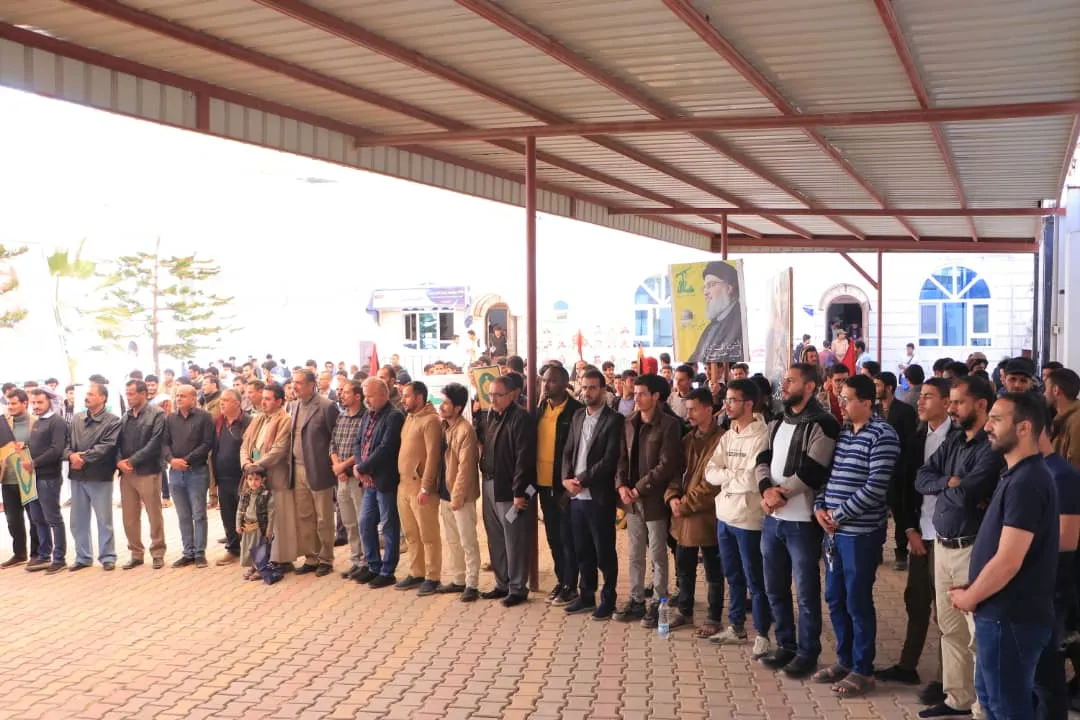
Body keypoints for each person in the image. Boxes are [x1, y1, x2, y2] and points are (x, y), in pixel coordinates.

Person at [948, 392, 1058, 719]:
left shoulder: (1027, 481)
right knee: (994, 704)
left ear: (1024, 427)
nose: (987, 428)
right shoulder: (1017, 474)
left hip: (1010, 618)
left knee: (1007, 708)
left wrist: (970, 597)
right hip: (1000, 615)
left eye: (997, 420)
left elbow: (1010, 559)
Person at [915, 375, 1001, 719]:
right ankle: (958, 698)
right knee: (949, 627)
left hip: (973, 548)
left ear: (981, 405)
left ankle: (983, 706)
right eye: (949, 402)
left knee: (976, 633)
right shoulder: (953, 441)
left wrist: (950, 489)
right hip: (943, 544)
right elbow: (922, 477)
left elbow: (969, 494)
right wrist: (948, 483)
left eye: (958, 402)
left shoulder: (991, 447)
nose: (951, 408)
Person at [812, 375, 900, 698]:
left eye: (847, 398)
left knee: (857, 600)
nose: (842, 404)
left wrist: (839, 514)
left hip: (860, 535)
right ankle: (844, 660)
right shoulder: (846, 433)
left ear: (866, 402)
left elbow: (876, 487)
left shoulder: (883, 435)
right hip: (833, 534)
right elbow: (829, 477)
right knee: (835, 598)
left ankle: (863, 669)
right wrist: (821, 507)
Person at [757, 363, 840, 678]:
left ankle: (808, 652)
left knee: (805, 592)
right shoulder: (778, 421)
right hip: (772, 518)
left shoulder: (824, 423)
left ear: (809, 387)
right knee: (774, 587)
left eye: (791, 381)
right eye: (784, 380)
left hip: (801, 521)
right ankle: (786, 645)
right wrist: (766, 490)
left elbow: (813, 469)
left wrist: (780, 494)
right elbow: (762, 458)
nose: (784, 385)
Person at [706, 378, 773, 655]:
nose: (726, 405)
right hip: (724, 516)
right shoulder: (728, 434)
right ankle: (736, 626)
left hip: (748, 519)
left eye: (732, 400)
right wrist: (729, 477)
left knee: (755, 579)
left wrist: (727, 477)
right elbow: (710, 471)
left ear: (748, 404)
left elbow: (750, 480)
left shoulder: (762, 435)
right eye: (726, 400)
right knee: (732, 576)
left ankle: (763, 633)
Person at [614, 373, 684, 627]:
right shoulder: (629, 422)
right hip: (631, 500)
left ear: (656, 396)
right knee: (634, 553)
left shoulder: (669, 425)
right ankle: (635, 600)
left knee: (657, 553)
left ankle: (658, 603)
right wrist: (621, 485)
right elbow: (621, 458)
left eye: (643, 393)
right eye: (635, 393)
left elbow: (667, 465)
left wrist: (639, 488)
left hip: (654, 499)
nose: (637, 397)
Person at [561, 369, 624, 620]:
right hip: (576, 497)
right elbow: (567, 451)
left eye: (592, 388)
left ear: (603, 389)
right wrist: (566, 479)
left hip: (598, 496)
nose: (587, 392)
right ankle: (586, 595)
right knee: (582, 550)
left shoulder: (614, 420)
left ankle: (608, 599)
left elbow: (609, 460)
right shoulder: (577, 416)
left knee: (604, 552)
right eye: (584, 387)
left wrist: (581, 479)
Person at [664, 388, 724, 633]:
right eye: (686, 409)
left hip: (707, 515)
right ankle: (685, 612)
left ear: (709, 409)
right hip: (683, 514)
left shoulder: (722, 439)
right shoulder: (687, 439)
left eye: (693, 409)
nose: (688, 414)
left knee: (713, 570)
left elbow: (711, 484)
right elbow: (675, 473)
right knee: (684, 567)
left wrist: (685, 504)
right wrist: (672, 497)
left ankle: (713, 618)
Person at [478, 374, 537, 607]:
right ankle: (501, 583)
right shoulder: (492, 417)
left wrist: (520, 492)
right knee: (495, 536)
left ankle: (517, 588)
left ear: (512, 394)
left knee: (515, 538)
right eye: (490, 394)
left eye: (498, 394)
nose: (492, 399)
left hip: (512, 490)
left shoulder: (521, 419)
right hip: (490, 484)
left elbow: (524, 458)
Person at [535, 364, 583, 606]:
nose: (546, 384)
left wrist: (569, 486)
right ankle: (561, 579)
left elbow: (579, 452)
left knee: (568, 538)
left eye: (551, 381)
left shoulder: (576, 411)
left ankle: (571, 585)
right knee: (553, 537)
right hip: (542, 485)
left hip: (564, 487)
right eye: (544, 380)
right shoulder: (540, 408)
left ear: (565, 384)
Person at [353, 377, 405, 588]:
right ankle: (373, 566)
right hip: (368, 482)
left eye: (371, 396)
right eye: (365, 396)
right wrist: (358, 466)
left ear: (384, 394)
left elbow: (386, 448)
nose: (367, 400)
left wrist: (364, 468)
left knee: (389, 526)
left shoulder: (394, 416)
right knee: (365, 523)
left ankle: (387, 571)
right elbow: (358, 443)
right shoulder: (368, 414)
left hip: (384, 481)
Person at [287, 369, 340, 577]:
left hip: (319, 470)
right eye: (293, 382)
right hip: (297, 468)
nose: (295, 386)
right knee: (304, 516)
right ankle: (311, 557)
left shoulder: (326, 406)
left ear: (311, 385)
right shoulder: (294, 406)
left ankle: (326, 558)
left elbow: (334, 439)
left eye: (299, 383)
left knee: (323, 517)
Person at [394, 381, 444, 595]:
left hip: (420, 487)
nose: (403, 400)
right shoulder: (410, 418)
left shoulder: (431, 421)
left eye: (406, 396)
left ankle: (433, 576)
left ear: (419, 397)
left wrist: (426, 487)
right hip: (404, 485)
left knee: (428, 534)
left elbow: (433, 456)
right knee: (411, 533)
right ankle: (417, 572)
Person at [65, 382, 122, 571]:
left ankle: (107, 556)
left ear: (102, 398)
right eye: (86, 394)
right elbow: (66, 443)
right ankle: (83, 556)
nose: (86, 397)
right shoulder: (77, 419)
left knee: (103, 519)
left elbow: (107, 446)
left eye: (91, 394)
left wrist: (84, 458)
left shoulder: (113, 421)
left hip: (100, 475)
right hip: (77, 475)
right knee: (78, 519)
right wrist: (71, 455)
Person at [240, 384, 294, 571]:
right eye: (263, 397)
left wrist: (257, 466)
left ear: (279, 401)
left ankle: (281, 560)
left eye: (268, 398)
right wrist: (246, 464)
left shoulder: (285, 420)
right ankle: (261, 562)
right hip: (255, 475)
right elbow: (245, 445)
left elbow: (279, 449)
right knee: (259, 520)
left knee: (277, 519)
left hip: (275, 474)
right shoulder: (259, 419)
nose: (263, 401)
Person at [436, 383, 481, 601]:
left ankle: (472, 584)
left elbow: (465, 469)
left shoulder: (466, 430)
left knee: (467, 540)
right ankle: (458, 579)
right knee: (452, 540)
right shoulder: (444, 427)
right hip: (445, 493)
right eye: (441, 401)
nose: (441, 406)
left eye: (446, 403)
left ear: (458, 407)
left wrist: (457, 496)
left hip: (460, 496)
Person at [116, 380, 167, 571]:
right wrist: (119, 461)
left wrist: (132, 461)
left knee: (154, 514)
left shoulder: (157, 414)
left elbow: (155, 444)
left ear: (143, 393)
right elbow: (116, 442)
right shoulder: (125, 417)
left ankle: (158, 552)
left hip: (148, 471)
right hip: (127, 474)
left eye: (131, 394)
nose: (128, 398)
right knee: (129, 516)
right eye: (127, 394)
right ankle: (136, 553)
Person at [163, 385, 215, 568]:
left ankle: (200, 553)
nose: (179, 399)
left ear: (193, 398)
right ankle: (188, 552)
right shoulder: (170, 419)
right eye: (177, 396)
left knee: (198, 514)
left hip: (196, 471)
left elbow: (207, 443)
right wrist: (171, 460)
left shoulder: (205, 418)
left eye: (183, 396)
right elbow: (164, 444)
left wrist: (185, 460)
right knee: (183, 515)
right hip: (176, 473)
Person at [22, 388, 68, 574]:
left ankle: (59, 558)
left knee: (53, 518)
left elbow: (56, 449)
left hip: (48, 477)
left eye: (40, 402)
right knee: (37, 518)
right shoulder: (36, 422)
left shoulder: (57, 421)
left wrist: (35, 462)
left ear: (49, 401)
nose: (36, 406)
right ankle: (43, 555)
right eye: (33, 403)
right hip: (32, 477)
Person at [212, 389, 251, 566]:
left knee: (246, 514)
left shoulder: (248, 422)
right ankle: (233, 549)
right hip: (223, 477)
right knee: (228, 515)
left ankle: (251, 549)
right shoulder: (218, 423)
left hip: (243, 477)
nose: (222, 403)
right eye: (221, 400)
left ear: (237, 403)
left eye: (226, 400)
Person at [687, 261, 745, 364]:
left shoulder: (741, 323)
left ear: (729, 288)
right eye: (705, 287)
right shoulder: (711, 327)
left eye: (711, 285)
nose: (705, 292)